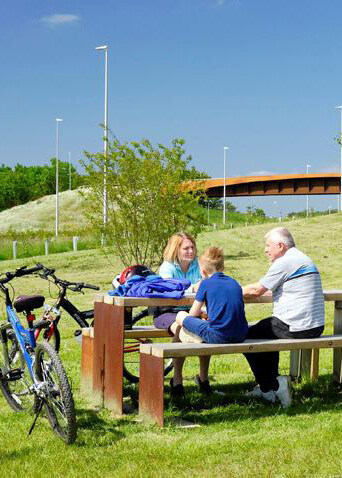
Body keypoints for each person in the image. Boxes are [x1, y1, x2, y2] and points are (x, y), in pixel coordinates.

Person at [243, 227, 325, 408]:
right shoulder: (303, 258)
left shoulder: (285, 261)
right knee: (266, 331)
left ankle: (270, 386)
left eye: (267, 245)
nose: (265, 250)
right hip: (315, 327)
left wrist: (228, 290)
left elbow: (256, 291)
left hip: (296, 327)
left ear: (280, 246)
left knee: (245, 336)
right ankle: (271, 385)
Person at [170, 246, 248, 396]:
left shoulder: (205, 284)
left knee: (180, 317)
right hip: (241, 334)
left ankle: (177, 381)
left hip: (218, 335)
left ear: (203, 271)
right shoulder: (235, 283)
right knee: (195, 325)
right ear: (223, 266)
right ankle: (202, 380)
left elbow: (192, 315)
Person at [153, 232, 201, 329]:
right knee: (182, 327)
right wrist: (192, 288)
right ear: (176, 250)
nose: (191, 251)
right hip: (169, 311)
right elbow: (168, 289)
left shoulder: (200, 265)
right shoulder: (167, 267)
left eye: (192, 247)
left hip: (194, 311)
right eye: (186, 248)